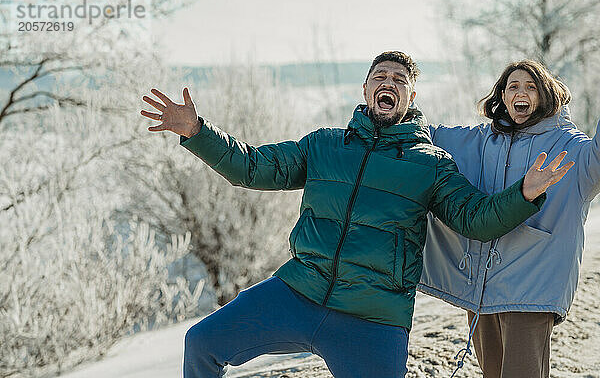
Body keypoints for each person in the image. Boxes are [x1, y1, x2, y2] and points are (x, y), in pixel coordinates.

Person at [140, 52, 572, 378]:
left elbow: (475, 217)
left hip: (372, 317)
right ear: (365, 91)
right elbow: (252, 166)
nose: (388, 83)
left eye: (399, 80)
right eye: (379, 77)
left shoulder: (430, 164)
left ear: (411, 96)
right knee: (201, 343)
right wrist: (198, 132)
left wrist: (524, 193)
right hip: (296, 294)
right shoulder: (325, 145)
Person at [419, 59, 600, 378]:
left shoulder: (570, 146)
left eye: (531, 87)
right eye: (513, 86)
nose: (521, 92)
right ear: (501, 96)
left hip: (533, 289)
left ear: (544, 95)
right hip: (482, 291)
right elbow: (421, 138)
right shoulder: (477, 141)